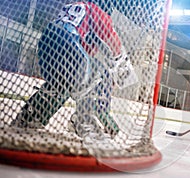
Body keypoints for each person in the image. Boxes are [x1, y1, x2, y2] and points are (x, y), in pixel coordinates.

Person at [11, 2, 137, 139]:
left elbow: (85, 50)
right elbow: (113, 40)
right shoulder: (96, 11)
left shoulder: (77, 9)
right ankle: (84, 121)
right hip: (69, 42)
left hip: (47, 43)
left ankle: (30, 116)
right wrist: (119, 61)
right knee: (100, 74)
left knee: (62, 83)